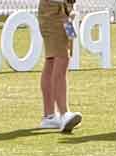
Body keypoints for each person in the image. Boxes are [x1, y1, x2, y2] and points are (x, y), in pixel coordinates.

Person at [36, 0, 82, 132]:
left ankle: (50, 116)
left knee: (51, 60)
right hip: (55, 11)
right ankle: (64, 113)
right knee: (61, 59)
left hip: (60, 10)